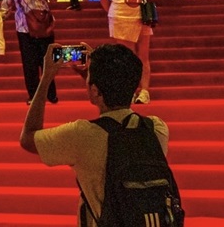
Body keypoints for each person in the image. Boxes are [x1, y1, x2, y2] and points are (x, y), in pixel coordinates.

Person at [20, 42, 171, 227]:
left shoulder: (81, 134)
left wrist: (46, 78)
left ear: (95, 90)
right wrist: (93, 80)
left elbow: (28, 138)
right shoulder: (156, 128)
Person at [101, 0, 154, 104]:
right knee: (127, 57)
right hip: (122, 17)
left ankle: (144, 91)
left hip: (141, 16)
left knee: (143, 55)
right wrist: (113, 12)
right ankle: (129, 90)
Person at [2, 0, 59, 104]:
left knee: (47, 62)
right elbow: (6, 7)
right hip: (24, 29)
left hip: (44, 27)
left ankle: (51, 93)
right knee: (29, 64)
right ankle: (33, 95)